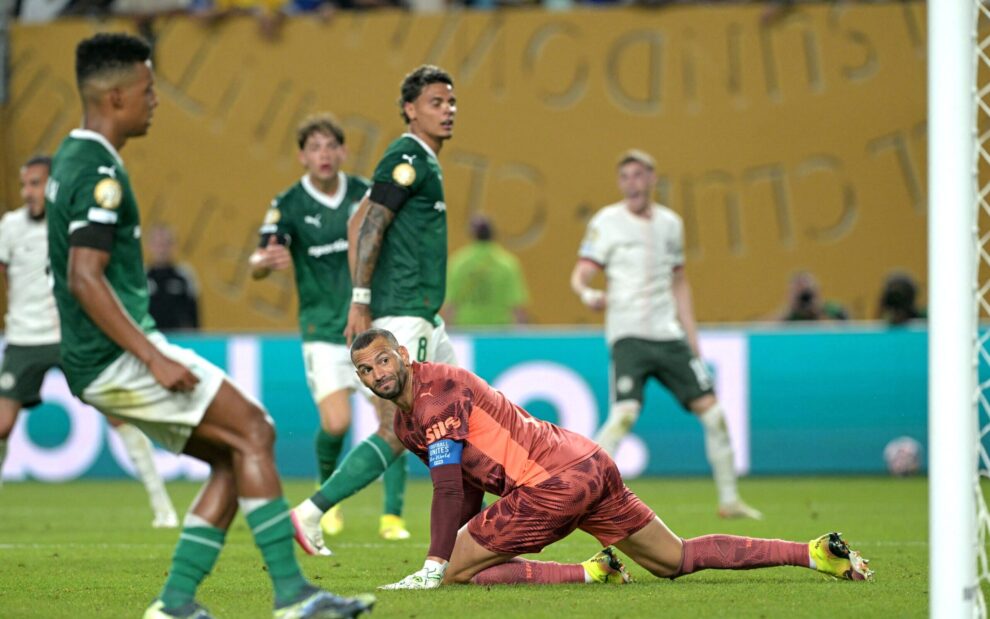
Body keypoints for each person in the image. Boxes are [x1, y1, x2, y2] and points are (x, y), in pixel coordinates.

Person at [46, 33, 373, 619]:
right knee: (256, 430)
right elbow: (84, 277)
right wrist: (153, 356)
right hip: (116, 355)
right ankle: (293, 596)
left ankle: (176, 603)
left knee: (233, 452)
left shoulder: (74, 158)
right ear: (116, 97)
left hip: (97, 357)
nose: (156, 100)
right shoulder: (96, 169)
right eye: (148, 90)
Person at [348, 328, 874, 589]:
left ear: (403, 355)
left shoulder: (436, 395)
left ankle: (588, 572)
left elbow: (445, 488)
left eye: (383, 361)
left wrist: (436, 563)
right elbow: (464, 486)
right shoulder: (407, 421)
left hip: (550, 484)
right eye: (366, 371)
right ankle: (813, 553)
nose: (378, 374)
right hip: (590, 462)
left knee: (455, 574)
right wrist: (464, 539)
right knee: (674, 560)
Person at [291, 64, 459, 556]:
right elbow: (370, 226)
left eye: (451, 102)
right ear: (410, 109)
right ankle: (311, 512)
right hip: (405, 313)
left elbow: (355, 222)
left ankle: (476, 528)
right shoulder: (407, 156)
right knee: (396, 430)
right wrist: (361, 298)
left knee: (464, 413)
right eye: (436, 103)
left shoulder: (421, 159)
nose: (447, 110)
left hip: (423, 315)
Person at [570, 149, 761, 520]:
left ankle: (729, 500)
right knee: (624, 414)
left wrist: (692, 338)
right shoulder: (607, 221)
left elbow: (680, 283)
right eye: (625, 177)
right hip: (628, 333)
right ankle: (582, 492)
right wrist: (586, 293)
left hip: (668, 334)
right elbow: (581, 273)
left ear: (652, 179)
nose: (632, 183)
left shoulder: (671, 224)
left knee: (714, 414)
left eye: (639, 175)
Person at [249, 113, 410, 544]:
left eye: (330, 146)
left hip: (370, 326)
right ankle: (328, 495)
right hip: (322, 329)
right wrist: (263, 263)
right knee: (337, 423)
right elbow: (259, 260)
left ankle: (392, 516)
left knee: (393, 418)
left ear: (342, 152)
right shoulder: (288, 204)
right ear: (302, 156)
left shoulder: (363, 193)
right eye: (314, 147)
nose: (323, 154)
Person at [0, 155, 179, 529]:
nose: (28, 192)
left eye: (35, 184)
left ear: (53, 187)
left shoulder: (73, 225)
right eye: (24, 185)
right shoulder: (10, 226)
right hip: (24, 338)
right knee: (2, 425)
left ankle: (162, 505)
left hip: (72, 335)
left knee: (118, 414)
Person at [445, 215, 529, 327]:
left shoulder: (458, 263)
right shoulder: (507, 264)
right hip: (498, 330)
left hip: (467, 328)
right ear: (493, 234)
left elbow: (451, 305)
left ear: (472, 235)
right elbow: (517, 306)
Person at [146, 223, 200, 331]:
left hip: (178, 337)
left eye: (165, 244)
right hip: (149, 336)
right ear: (149, 246)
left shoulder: (185, 275)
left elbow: (194, 315)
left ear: (173, 246)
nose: (162, 249)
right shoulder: (141, 277)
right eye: (157, 244)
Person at [776, 271, 848, 322]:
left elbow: (845, 329)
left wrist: (818, 311)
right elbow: (770, 331)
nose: (804, 298)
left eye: (807, 293)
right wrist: (789, 310)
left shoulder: (831, 309)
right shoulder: (789, 313)